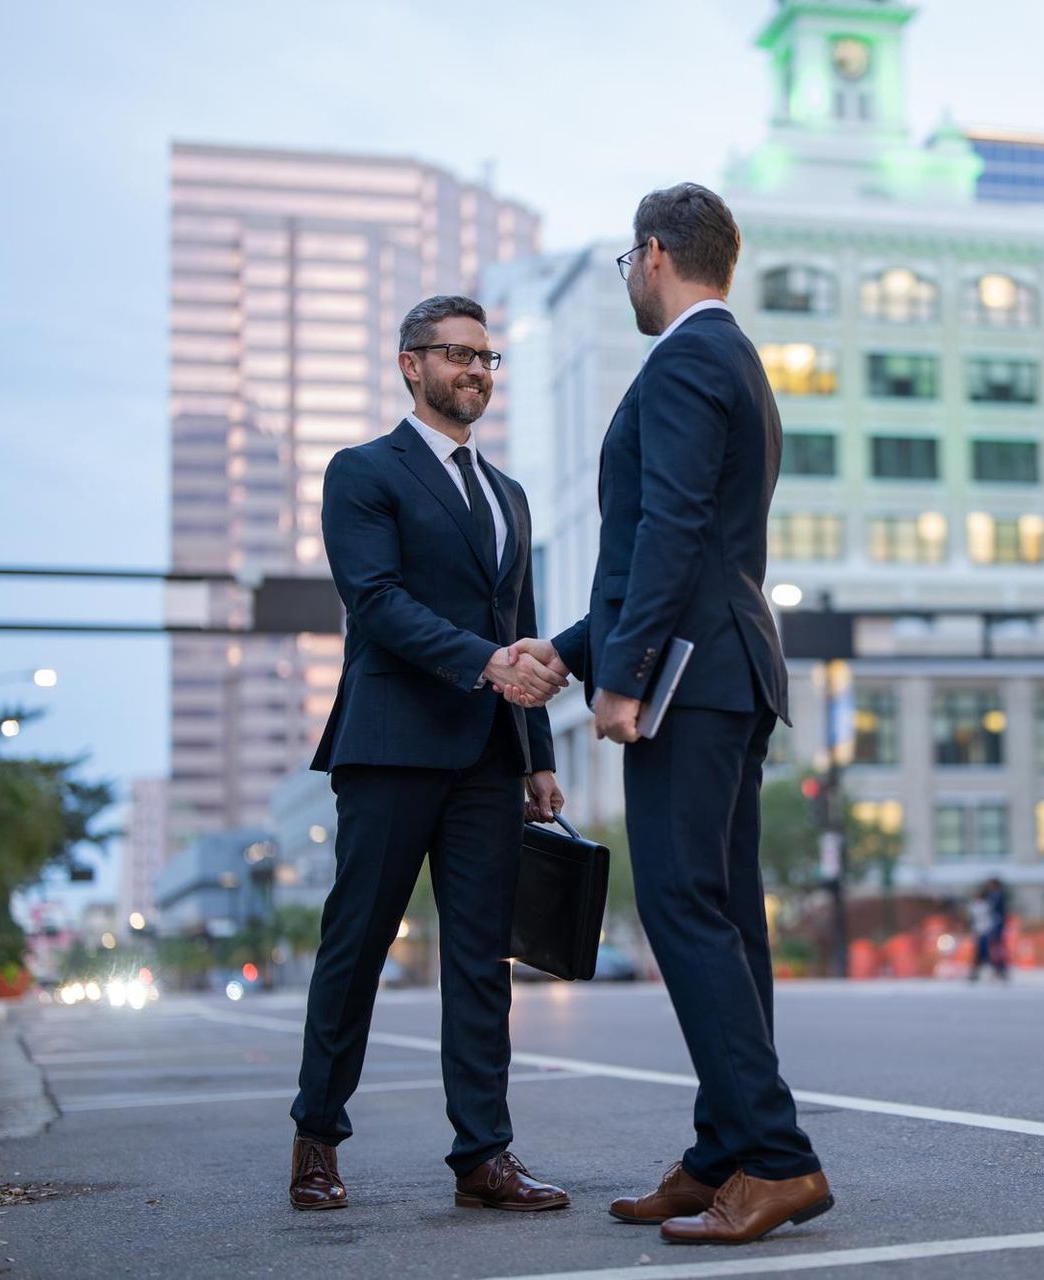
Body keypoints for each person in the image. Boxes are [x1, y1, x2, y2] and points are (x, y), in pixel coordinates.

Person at [504, 183, 831, 1246]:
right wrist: (573, 647)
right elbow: (681, 550)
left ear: (653, 255)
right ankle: (725, 1148)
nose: (626, 282)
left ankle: (776, 1158)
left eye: (623, 266)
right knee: (725, 915)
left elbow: (675, 529)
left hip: (692, 675)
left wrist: (626, 673)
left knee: (685, 909)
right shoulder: (733, 359)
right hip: (728, 664)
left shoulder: (688, 356)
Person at [287, 295, 573, 1214]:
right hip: (392, 747)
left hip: (488, 756)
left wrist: (534, 754)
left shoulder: (509, 496)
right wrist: (489, 664)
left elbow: (515, 624)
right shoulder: (363, 472)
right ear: (412, 364)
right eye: (459, 355)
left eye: (489, 358)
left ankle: (484, 1155)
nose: (478, 371)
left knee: (483, 960)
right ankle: (317, 1140)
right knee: (357, 945)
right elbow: (375, 600)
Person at [970, 879, 1010, 981]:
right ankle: (978, 972)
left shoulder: (989, 903)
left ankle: (998, 971)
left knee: (993, 951)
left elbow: (996, 915)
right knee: (982, 952)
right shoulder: (977, 905)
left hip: (989, 930)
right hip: (982, 931)